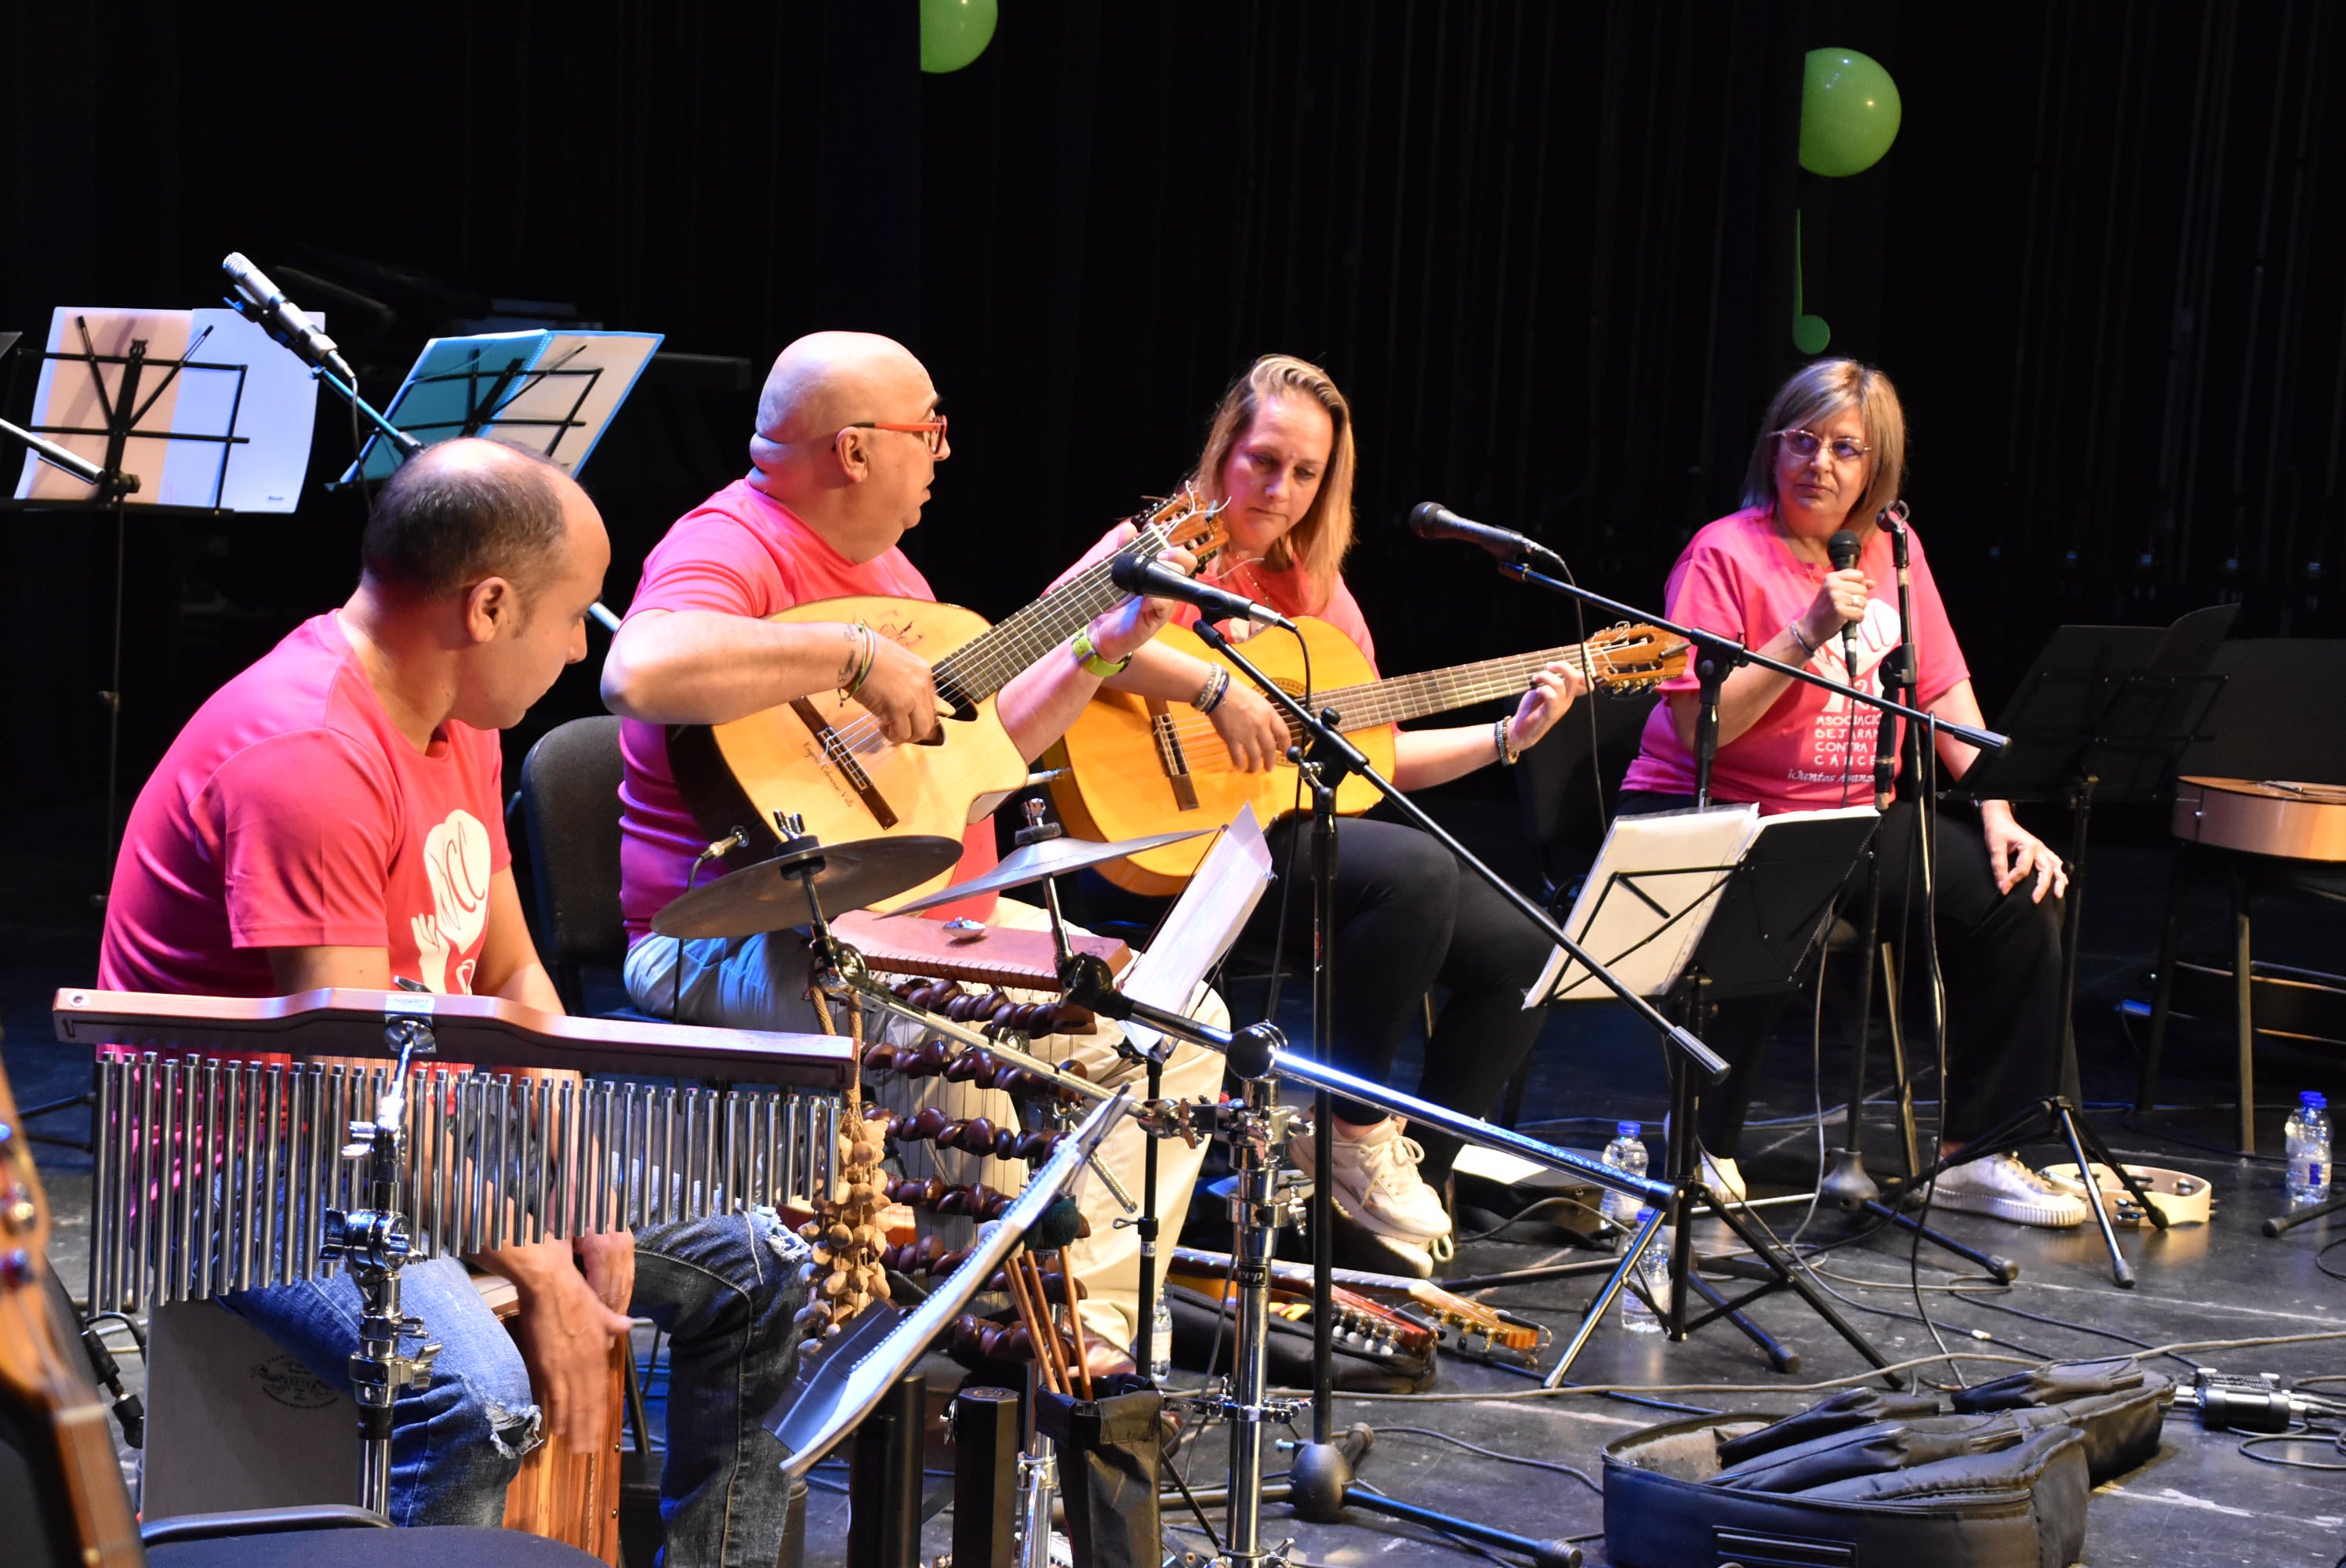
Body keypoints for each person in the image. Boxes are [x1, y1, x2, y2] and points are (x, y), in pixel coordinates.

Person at [97, 439, 811, 1558]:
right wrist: (536, 1256)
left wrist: (581, 1179)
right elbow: (350, 1087)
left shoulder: (461, 716)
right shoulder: (308, 754)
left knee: (759, 1269)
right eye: (571, 615)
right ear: (488, 606)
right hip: (242, 1159)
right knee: (474, 1401)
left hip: (409, 1115)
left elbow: (510, 974)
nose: (579, 649)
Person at [601, 330, 1219, 1363]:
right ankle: (987, 1351)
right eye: (929, 429)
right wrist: (849, 654)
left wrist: (1097, 647)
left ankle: (1087, 1345)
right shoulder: (728, 545)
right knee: (951, 1034)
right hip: (730, 938)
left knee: (1181, 1029)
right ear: (853, 449)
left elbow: (974, 765)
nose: (944, 450)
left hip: (916, 920)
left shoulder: (889, 571)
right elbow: (638, 669)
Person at [1090, 354, 1591, 1274]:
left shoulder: (1317, 593)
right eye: (1263, 461)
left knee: (1530, 951)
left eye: (1305, 473)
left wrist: (1506, 738)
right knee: (1414, 870)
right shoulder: (1155, 542)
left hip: (1281, 835)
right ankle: (1351, 1126)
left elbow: (1379, 756)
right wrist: (1211, 689)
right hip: (1169, 841)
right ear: (1222, 450)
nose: (1279, 489)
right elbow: (1063, 637)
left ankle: (1390, 1183)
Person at [1616, 358, 2090, 1228]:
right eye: (1802, 441)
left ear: (1877, 467)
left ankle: (1978, 1152)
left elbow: (1941, 688)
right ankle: (1701, 1147)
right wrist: (1806, 631)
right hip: (1719, 811)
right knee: (1774, 902)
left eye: (1845, 448)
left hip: (1847, 814)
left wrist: (1998, 810)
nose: (1819, 464)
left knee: (2016, 894)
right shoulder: (1722, 553)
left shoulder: (1893, 550)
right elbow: (1700, 728)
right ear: (1773, 448)